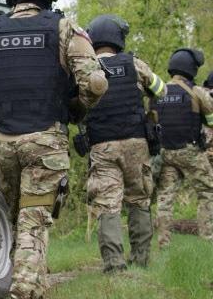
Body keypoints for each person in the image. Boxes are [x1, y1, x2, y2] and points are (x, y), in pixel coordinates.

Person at [0, 0, 108, 299]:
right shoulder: (66, 29)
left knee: (20, 221)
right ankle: (24, 291)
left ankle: (33, 286)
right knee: (34, 222)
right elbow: (96, 84)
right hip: (44, 142)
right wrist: (75, 109)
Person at [82, 15, 166, 272]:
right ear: (118, 39)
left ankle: (114, 265)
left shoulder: (85, 68)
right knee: (139, 199)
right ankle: (140, 260)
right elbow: (161, 90)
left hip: (102, 145)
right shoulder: (134, 63)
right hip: (136, 143)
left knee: (107, 203)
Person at [154, 49, 213, 248]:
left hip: (165, 153)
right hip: (190, 152)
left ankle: (163, 244)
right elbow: (211, 120)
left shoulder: (158, 91)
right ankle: (207, 240)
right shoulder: (196, 92)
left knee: (165, 198)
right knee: (208, 191)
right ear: (192, 69)